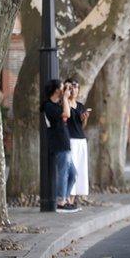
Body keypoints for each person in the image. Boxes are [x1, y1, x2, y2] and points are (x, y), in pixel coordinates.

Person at [41, 79, 79, 213]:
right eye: (62, 87)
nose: (65, 90)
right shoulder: (48, 106)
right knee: (63, 172)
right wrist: (64, 97)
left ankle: (65, 198)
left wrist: (65, 98)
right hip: (58, 142)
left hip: (64, 141)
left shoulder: (58, 104)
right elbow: (67, 114)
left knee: (73, 174)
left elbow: (67, 113)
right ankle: (61, 201)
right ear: (56, 90)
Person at [65, 78, 91, 205]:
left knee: (80, 169)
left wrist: (84, 118)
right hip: (70, 140)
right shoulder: (64, 103)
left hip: (81, 139)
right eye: (71, 87)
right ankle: (69, 197)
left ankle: (75, 197)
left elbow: (82, 126)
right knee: (71, 169)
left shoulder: (80, 106)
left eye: (76, 87)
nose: (74, 89)